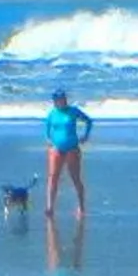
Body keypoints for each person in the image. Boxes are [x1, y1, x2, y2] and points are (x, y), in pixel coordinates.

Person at [42, 86, 93, 221]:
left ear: (65, 99)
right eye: (56, 99)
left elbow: (88, 121)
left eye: (61, 99)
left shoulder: (73, 111)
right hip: (57, 148)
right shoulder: (52, 113)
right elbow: (47, 128)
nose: (59, 101)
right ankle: (50, 207)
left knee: (75, 178)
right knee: (53, 177)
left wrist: (85, 136)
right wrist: (49, 140)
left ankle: (81, 207)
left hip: (72, 147)